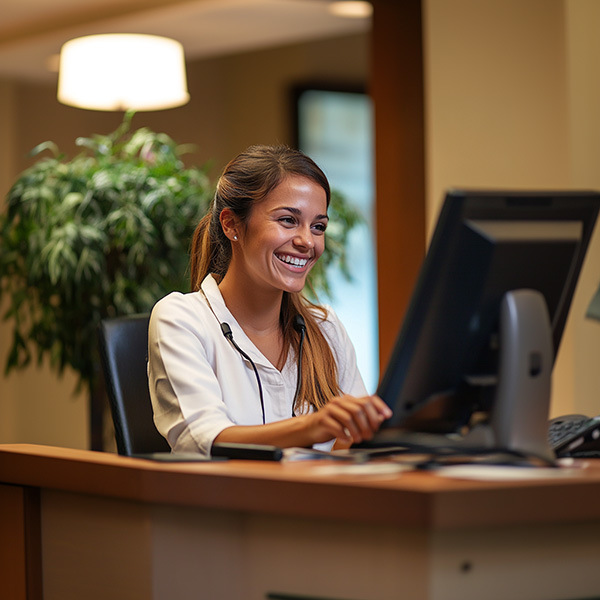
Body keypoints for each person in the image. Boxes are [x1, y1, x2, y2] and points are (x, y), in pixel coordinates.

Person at [148, 144, 391, 457]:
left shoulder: (324, 329)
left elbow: (357, 445)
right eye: (288, 220)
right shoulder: (181, 318)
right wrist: (312, 427)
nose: (307, 242)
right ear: (231, 225)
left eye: (318, 226)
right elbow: (207, 440)